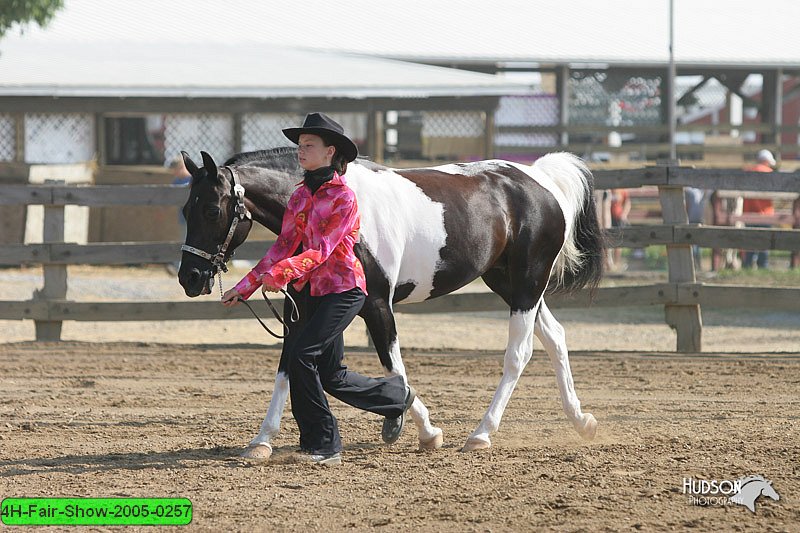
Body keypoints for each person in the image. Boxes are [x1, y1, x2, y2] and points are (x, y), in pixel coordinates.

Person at [220, 113, 415, 466]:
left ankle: (323, 444)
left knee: (301, 356)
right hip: (313, 291)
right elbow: (282, 248)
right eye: (300, 145)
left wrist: (282, 273)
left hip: (344, 290)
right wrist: (245, 286)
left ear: (330, 152)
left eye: (309, 145)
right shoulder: (299, 197)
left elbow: (321, 250)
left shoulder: (344, 198)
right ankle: (395, 395)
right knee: (331, 374)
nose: (300, 151)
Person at [741, 149, 776, 269]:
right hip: (765, 214)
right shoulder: (770, 172)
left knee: (749, 241)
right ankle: (763, 266)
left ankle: (747, 265)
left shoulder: (749, 171)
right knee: (764, 242)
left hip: (749, 213)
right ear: (767, 161)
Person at [168, 156, 192, 275]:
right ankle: (177, 267)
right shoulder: (176, 181)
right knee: (183, 241)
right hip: (183, 218)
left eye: (176, 170)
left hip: (194, 219)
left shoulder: (192, 180)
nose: (175, 173)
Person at [609, 188, 631, 270]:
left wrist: (624, 214)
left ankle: (617, 263)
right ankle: (609, 263)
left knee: (618, 240)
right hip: (609, 217)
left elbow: (627, 203)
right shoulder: (608, 189)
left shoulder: (622, 190)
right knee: (609, 240)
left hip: (618, 217)